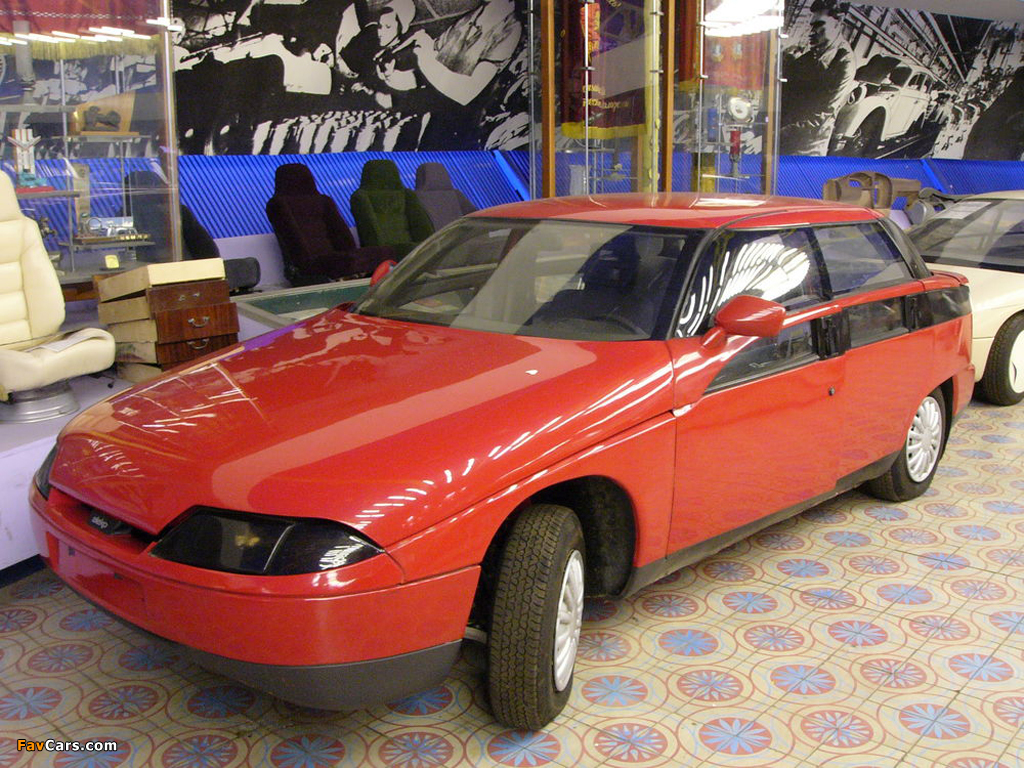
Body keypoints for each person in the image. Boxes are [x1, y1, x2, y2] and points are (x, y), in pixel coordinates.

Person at [778, 0, 854, 156]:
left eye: (819, 25)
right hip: (786, 136)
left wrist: (774, 134)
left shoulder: (844, 62)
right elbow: (785, 93)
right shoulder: (810, 54)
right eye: (811, 26)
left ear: (839, 22)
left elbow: (822, 116)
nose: (811, 32)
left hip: (807, 148)